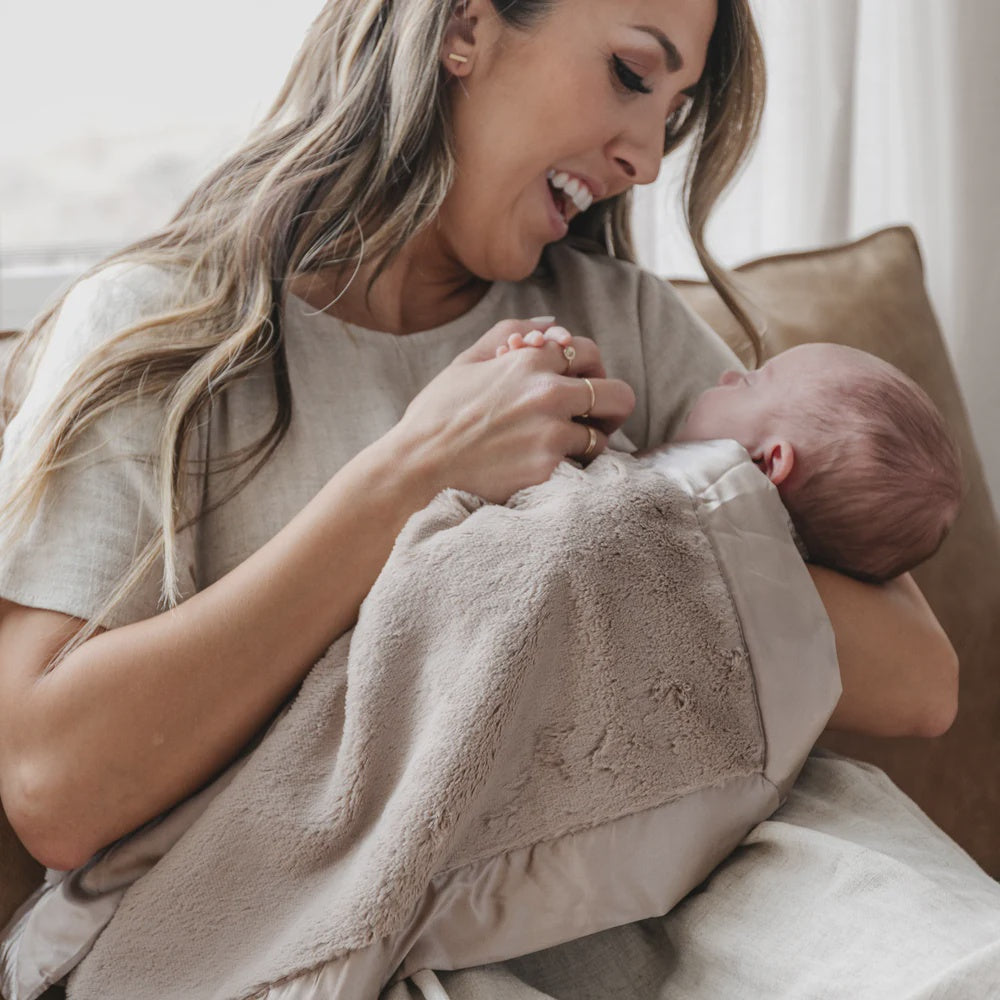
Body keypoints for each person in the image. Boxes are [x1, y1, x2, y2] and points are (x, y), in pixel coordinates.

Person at [0, 1, 973, 996]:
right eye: (633, 76)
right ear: (464, 27)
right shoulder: (159, 332)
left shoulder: (616, 320)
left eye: (672, 113)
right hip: (366, 923)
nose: (643, 155)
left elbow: (916, 679)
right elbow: (53, 788)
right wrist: (412, 473)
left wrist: (625, 518)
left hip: (691, 896)